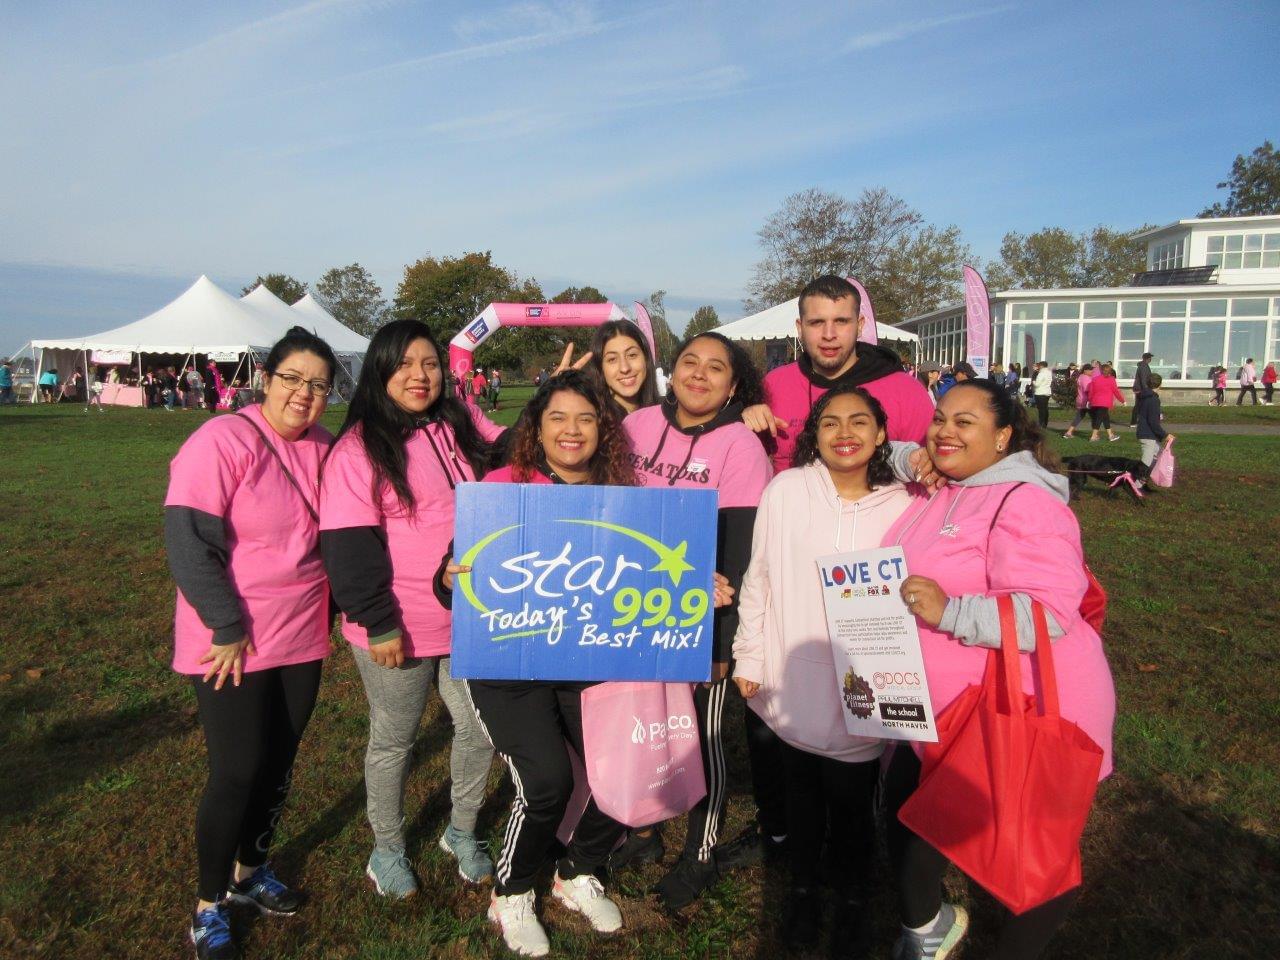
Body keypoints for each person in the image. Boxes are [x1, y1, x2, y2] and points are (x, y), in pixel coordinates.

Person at [882, 379, 1115, 960]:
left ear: (1004, 435)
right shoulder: (947, 485)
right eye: (939, 419)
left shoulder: (1025, 500)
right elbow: (886, 444)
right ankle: (929, 927)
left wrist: (950, 609)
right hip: (950, 706)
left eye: (965, 422)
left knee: (1033, 854)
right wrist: (911, 454)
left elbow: (1049, 609)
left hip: (1026, 701)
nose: (944, 431)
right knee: (918, 831)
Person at [728, 274, 933, 870]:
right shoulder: (776, 383)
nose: (829, 334)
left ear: (859, 325)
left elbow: (930, 462)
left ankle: (852, 851)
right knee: (775, 737)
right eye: (816, 322)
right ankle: (782, 837)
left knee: (857, 744)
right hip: (787, 554)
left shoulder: (900, 389)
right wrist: (747, 415)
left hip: (867, 584)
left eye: (840, 321)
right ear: (799, 329)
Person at [164, 326, 339, 960]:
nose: (304, 394)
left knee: (277, 763)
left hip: (301, 631)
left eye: (318, 385)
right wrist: (227, 623)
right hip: (230, 638)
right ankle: (209, 904)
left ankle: (250, 871)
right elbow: (187, 539)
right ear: (266, 379)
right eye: (292, 378)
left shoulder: (325, 446)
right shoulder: (222, 440)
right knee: (236, 769)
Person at [319, 319, 502, 900]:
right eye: (404, 364)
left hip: (466, 618)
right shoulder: (359, 448)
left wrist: (560, 393)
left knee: (478, 728)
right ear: (380, 371)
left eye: (429, 363)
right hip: (396, 626)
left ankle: (461, 830)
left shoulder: (457, 422)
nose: (419, 376)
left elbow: (515, 445)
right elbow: (348, 546)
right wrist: (379, 622)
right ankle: (388, 848)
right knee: (394, 740)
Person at [457, 370, 637, 957]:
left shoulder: (621, 493)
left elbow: (645, 572)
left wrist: (693, 585)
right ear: (536, 426)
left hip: (585, 659)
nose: (572, 430)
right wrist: (447, 575)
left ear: (603, 430)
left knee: (621, 772)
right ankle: (511, 891)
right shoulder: (505, 484)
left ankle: (578, 871)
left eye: (586, 418)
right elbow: (456, 576)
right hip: (509, 665)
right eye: (557, 417)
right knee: (547, 783)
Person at [732, 385, 913, 954]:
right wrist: (750, 654)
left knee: (854, 800)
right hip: (795, 674)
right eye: (831, 422)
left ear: (882, 435)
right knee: (803, 795)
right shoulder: (786, 490)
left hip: (865, 682)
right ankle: (804, 891)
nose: (845, 433)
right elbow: (758, 576)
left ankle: (853, 898)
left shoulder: (907, 501)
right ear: (815, 433)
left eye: (860, 422)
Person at [624, 331, 773, 908]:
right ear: (672, 371)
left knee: (701, 739)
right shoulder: (636, 427)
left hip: (702, 621)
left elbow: (739, 553)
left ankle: (701, 851)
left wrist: (722, 637)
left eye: (717, 368)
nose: (700, 375)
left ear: (734, 385)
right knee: (645, 726)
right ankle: (643, 831)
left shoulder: (740, 446)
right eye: (690, 362)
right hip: (632, 611)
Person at [587, 318, 661, 415]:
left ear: (646, 358)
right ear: (600, 368)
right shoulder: (593, 420)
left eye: (632, 355)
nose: (624, 368)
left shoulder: (667, 416)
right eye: (612, 359)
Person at [1136, 373, 1174, 475]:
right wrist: (1165, 435)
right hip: (1147, 434)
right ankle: (1136, 484)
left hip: (1147, 433)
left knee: (1157, 454)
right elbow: (1153, 422)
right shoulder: (1153, 400)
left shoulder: (1144, 396)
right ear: (1160, 385)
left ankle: (1145, 479)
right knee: (1146, 463)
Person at [1087, 363, 1124, 442]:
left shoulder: (1095, 379)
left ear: (1101, 370)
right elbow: (1116, 391)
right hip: (1105, 403)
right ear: (1110, 371)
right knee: (1099, 419)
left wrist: (1089, 400)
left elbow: (1091, 391)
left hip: (1096, 402)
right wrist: (1122, 400)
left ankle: (1111, 435)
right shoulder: (1111, 379)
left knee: (1105, 418)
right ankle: (1093, 436)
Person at [1062, 363, 1093, 439]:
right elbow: (1087, 389)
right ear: (1085, 370)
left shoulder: (1081, 377)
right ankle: (1095, 435)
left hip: (1080, 399)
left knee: (1079, 417)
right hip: (1086, 401)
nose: (1092, 371)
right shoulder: (1086, 378)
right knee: (1096, 417)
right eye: (1090, 370)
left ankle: (1068, 432)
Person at [1129, 352, 1154, 426]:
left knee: (1141, 405)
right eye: (1150, 358)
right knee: (1139, 405)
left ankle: (1138, 421)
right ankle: (1134, 422)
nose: (1150, 359)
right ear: (1147, 359)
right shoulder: (1143, 367)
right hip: (1141, 389)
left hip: (1140, 388)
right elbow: (1143, 379)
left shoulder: (1143, 366)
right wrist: (1146, 389)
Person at [1032, 360, 1053, 429]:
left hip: (1040, 392)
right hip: (1047, 392)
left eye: (1039, 366)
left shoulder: (1041, 373)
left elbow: (1037, 384)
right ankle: (1045, 423)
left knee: (1041, 409)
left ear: (1041, 366)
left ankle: (1041, 423)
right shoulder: (1049, 372)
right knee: (1045, 408)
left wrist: (1033, 382)